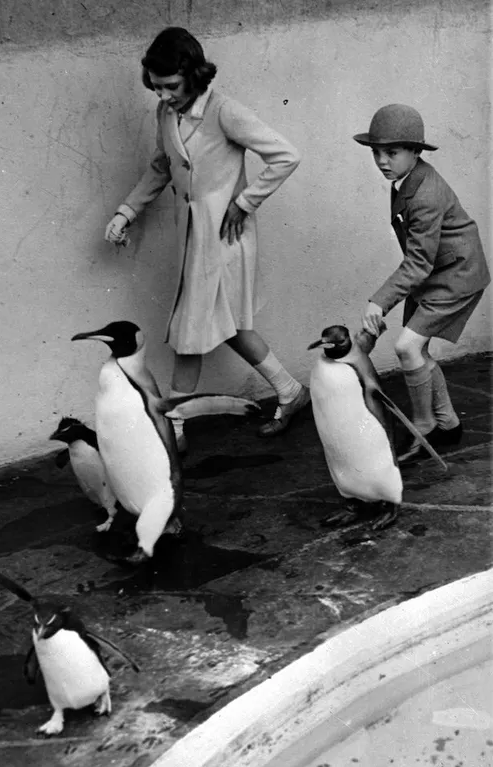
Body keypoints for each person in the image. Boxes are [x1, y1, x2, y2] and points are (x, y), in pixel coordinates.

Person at [104, 27, 309, 451]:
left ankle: (173, 428)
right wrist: (126, 212)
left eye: (171, 86)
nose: (163, 95)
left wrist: (245, 202)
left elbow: (286, 155)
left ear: (193, 76)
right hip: (193, 238)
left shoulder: (224, 111)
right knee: (227, 326)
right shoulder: (166, 113)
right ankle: (290, 392)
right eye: (156, 87)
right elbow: (161, 167)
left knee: (191, 332)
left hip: (224, 238)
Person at [355, 104, 490, 464]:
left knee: (407, 347)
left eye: (392, 152)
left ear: (415, 152)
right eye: (376, 152)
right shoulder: (407, 179)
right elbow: (420, 258)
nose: (382, 161)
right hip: (435, 271)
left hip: (456, 275)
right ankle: (448, 424)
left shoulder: (425, 193)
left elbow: (418, 262)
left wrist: (379, 302)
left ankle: (424, 425)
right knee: (418, 350)